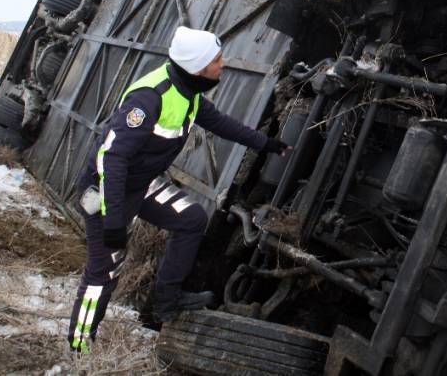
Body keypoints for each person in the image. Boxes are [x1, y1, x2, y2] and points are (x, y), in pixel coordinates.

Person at [68, 25, 289, 353]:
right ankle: (79, 346)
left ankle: (166, 302)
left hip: (139, 184)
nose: (222, 64)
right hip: (107, 191)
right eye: (216, 60)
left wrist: (268, 143)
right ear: (199, 68)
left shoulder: (189, 94)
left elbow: (222, 124)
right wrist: (114, 221)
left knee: (191, 219)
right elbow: (112, 159)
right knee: (103, 273)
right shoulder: (149, 98)